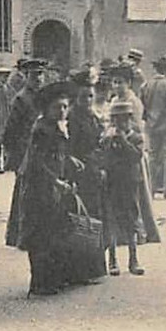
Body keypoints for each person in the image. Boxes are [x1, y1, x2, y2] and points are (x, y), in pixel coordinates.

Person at [13, 81, 88, 297]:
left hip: (51, 186)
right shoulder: (41, 128)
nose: (63, 111)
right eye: (58, 107)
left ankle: (51, 279)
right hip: (38, 186)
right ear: (47, 108)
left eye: (65, 107)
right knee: (39, 234)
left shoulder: (56, 126)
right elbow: (37, 161)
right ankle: (38, 283)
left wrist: (70, 159)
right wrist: (56, 181)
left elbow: (56, 152)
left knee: (53, 231)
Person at [102, 102, 150, 276]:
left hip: (130, 183)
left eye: (126, 119)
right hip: (113, 183)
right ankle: (112, 260)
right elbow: (104, 158)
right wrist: (109, 141)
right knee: (112, 219)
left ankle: (133, 258)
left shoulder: (136, 137)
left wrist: (122, 140)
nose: (123, 123)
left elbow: (135, 156)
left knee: (131, 218)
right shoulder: (108, 137)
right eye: (119, 120)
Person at [67, 72, 106, 222]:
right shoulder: (72, 117)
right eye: (84, 97)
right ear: (76, 98)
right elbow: (70, 146)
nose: (88, 101)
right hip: (79, 168)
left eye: (91, 96)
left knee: (96, 206)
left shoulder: (93, 116)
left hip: (94, 167)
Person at [141, 55, 166, 198]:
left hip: (151, 126)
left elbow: (143, 106)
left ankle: (150, 189)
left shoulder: (146, 85)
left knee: (152, 156)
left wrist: (148, 120)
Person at [3, 59, 46, 173]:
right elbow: (12, 127)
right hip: (26, 148)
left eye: (41, 74)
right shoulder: (21, 98)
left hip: (44, 147)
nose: (38, 79)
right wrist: (11, 151)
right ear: (26, 77)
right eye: (34, 75)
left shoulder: (46, 96)